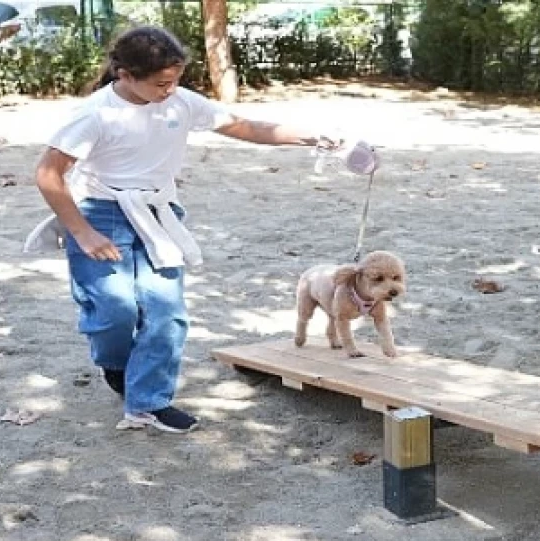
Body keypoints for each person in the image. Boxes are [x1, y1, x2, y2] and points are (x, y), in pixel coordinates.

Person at [34, 26, 339, 434]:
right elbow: (48, 174)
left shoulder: (180, 102)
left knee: (165, 311)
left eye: (176, 81)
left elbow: (245, 127)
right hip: (99, 213)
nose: (170, 90)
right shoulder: (95, 114)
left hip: (158, 214)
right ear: (124, 75)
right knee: (114, 311)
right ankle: (115, 364)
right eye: (161, 83)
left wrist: (306, 137)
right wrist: (83, 233)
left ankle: (148, 403)